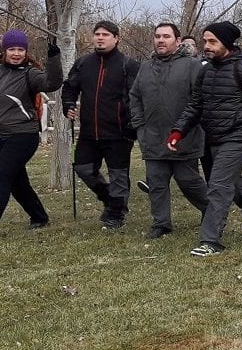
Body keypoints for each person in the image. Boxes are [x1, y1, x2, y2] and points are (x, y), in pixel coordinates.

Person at [169, 21, 242, 257]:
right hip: (215, 138)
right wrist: (179, 131)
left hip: (240, 137)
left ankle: (210, 241)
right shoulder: (206, 71)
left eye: (213, 41)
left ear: (227, 43)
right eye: (205, 41)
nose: (207, 46)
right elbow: (195, 105)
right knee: (235, 186)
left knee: (219, 186)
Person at [128, 22, 209, 239]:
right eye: (157, 36)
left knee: (188, 181)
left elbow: (200, 99)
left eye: (166, 36)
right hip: (152, 137)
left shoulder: (192, 65)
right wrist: (140, 125)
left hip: (184, 137)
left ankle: (211, 210)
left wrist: (188, 127)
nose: (161, 40)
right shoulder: (146, 67)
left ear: (178, 40)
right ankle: (161, 223)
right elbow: (135, 97)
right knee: (156, 182)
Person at [61, 20, 140, 229]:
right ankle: (109, 199)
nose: (100, 38)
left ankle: (117, 214)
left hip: (119, 132)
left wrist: (133, 125)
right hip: (88, 132)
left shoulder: (128, 65)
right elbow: (69, 87)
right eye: (97, 34)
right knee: (83, 169)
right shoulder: (83, 63)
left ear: (117, 38)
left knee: (118, 176)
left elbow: (138, 97)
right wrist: (68, 104)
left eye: (105, 35)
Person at [0, 30, 62, 228]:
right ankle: (39, 217)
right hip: (2, 135)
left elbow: (52, 83)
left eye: (21, 49)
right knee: (17, 182)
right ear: (4, 50)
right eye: (12, 49)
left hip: (23, 135)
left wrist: (53, 58)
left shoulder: (30, 73)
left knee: (2, 175)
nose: (16, 53)